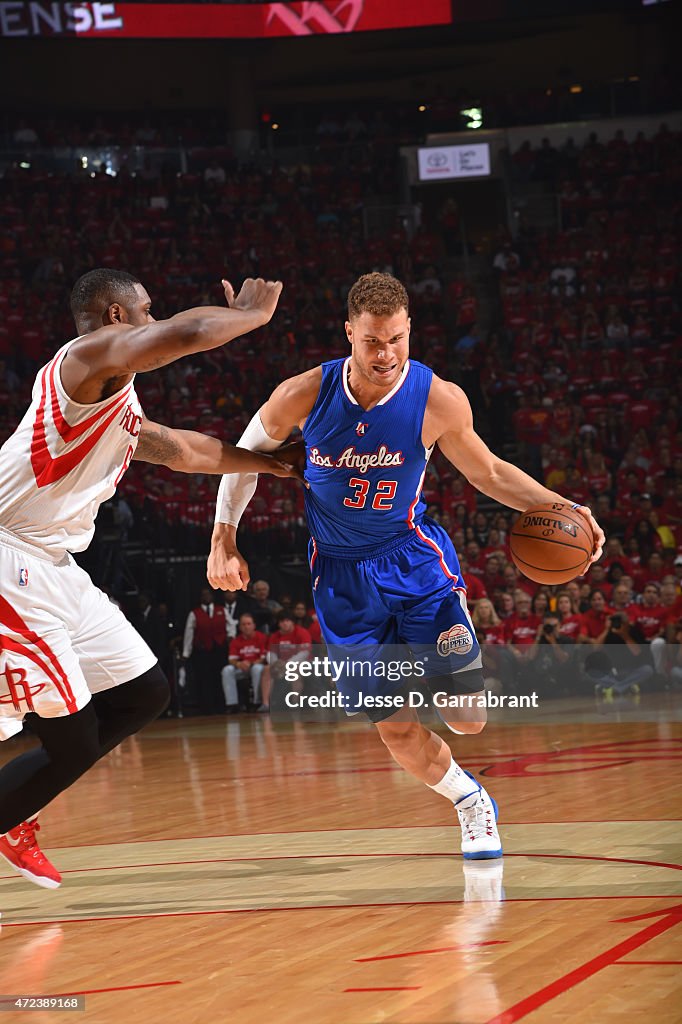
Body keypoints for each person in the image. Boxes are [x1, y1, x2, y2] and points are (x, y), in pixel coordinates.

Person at [207, 272, 604, 861]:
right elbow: (243, 458)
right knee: (394, 727)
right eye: (371, 341)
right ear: (349, 333)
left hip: (414, 564)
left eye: (395, 338)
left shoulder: (437, 398)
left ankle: (442, 662)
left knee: (467, 719)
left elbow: (489, 474)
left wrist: (564, 508)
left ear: (409, 330)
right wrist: (223, 536)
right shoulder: (303, 394)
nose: (385, 353)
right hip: (341, 578)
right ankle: (471, 803)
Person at [0, 268, 300, 888]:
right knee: (72, 739)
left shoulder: (115, 400)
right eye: (145, 309)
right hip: (11, 558)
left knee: (143, 695)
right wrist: (251, 317)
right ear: (116, 317)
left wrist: (266, 465)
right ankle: (12, 812)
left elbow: (181, 449)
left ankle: (15, 807)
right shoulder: (79, 361)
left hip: (55, 565)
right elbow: (183, 333)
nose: (152, 317)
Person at [182, 588, 229, 715]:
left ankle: (221, 706)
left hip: (219, 649)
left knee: (219, 678)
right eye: (204, 595)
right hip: (202, 651)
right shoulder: (194, 613)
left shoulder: (222, 610)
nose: (207, 596)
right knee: (204, 679)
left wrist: (230, 639)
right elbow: (189, 633)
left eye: (208, 594)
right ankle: (206, 708)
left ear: (212, 596)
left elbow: (230, 627)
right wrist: (186, 653)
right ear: (200, 598)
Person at [221, 613, 268, 712]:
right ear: (240, 627)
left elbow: (264, 658)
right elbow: (231, 659)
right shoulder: (236, 641)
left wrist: (251, 663)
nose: (246, 627)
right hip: (242, 667)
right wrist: (238, 664)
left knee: (257, 669)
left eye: (248, 624)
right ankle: (232, 704)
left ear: (254, 625)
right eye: (243, 624)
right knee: (227, 670)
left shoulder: (262, 637)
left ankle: (257, 702)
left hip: (257, 666)